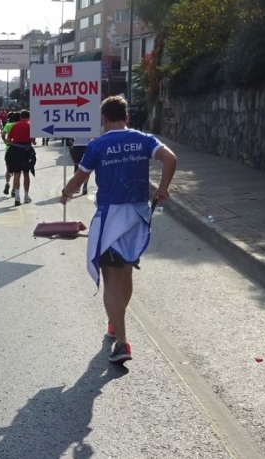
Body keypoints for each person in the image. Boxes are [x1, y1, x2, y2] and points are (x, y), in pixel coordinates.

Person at [60, 95, 177, 364]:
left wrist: (65, 194)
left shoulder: (97, 145)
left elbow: (79, 179)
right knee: (125, 273)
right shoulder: (144, 139)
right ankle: (115, 323)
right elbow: (170, 159)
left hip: (111, 218)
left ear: (103, 120)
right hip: (138, 217)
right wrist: (163, 188)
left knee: (112, 279)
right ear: (126, 117)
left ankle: (122, 343)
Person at [5, 109, 36, 206]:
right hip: (26, 151)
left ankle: (17, 197)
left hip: (15, 151)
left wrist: (13, 142)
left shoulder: (15, 126)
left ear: (21, 117)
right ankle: (26, 196)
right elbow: (33, 140)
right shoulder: (30, 126)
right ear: (29, 117)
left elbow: (8, 139)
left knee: (17, 173)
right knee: (26, 173)